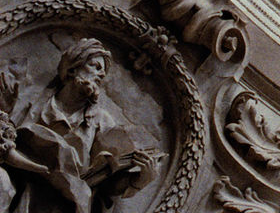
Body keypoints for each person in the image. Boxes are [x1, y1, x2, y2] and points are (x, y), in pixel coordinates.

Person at [0, 38, 162, 213]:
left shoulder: (102, 122)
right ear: (72, 68)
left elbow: (106, 181)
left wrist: (139, 181)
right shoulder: (33, 98)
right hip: (16, 175)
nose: (100, 75)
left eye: (103, 73)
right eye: (95, 66)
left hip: (61, 201)